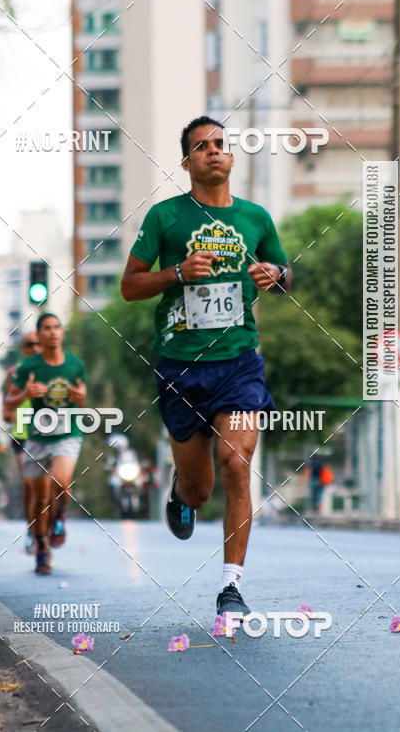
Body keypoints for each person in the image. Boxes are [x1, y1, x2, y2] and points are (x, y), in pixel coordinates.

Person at [121, 115, 291, 617]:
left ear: (231, 157)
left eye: (221, 144)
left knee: (237, 464)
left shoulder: (255, 218)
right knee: (199, 491)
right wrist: (176, 272)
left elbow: (285, 275)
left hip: (238, 364)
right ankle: (180, 493)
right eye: (202, 146)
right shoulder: (166, 218)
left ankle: (230, 586)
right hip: (181, 368)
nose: (214, 151)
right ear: (187, 162)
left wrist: (275, 272)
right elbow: (130, 285)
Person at [5, 314, 87, 575]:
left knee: (61, 484)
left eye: (56, 328)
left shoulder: (75, 364)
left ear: (61, 333)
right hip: (36, 436)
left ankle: (60, 516)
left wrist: (82, 397)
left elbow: (80, 401)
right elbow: (8, 405)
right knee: (39, 497)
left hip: (67, 432)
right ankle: (41, 546)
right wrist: (24, 394)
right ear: (39, 335)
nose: (52, 333)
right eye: (46, 329)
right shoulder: (26, 368)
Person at [3, 332, 42, 552]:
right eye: (30, 345)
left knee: (51, 485)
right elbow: (6, 408)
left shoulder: (55, 368)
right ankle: (32, 530)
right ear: (23, 349)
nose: (35, 347)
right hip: (22, 433)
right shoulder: (15, 373)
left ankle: (53, 520)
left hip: (49, 432)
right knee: (29, 484)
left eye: (38, 344)